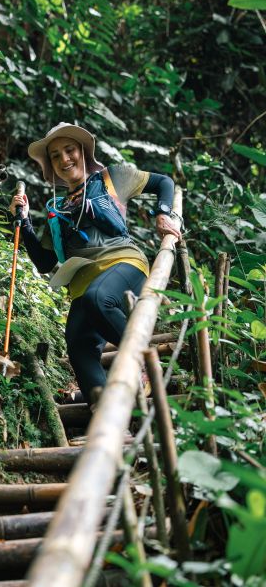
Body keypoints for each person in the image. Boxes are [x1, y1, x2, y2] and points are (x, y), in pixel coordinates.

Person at [10, 123, 181, 405]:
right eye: (55, 155)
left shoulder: (112, 178)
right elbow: (43, 262)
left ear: (82, 152)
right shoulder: (57, 209)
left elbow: (163, 183)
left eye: (69, 150)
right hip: (83, 284)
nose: (64, 159)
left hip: (123, 263)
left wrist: (163, 214)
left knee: (97, 298)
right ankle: (105, 409)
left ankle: (144, 365)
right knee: (78, 344)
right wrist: (25, 220)